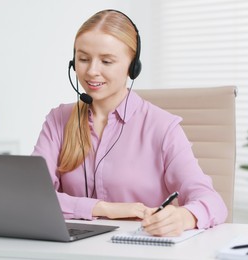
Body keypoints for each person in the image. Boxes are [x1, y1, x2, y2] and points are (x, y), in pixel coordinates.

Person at [32, 9, 227, 237]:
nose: (92, 71)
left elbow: (213, 202)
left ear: (133, 67)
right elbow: (32, 195)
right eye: (83, 59)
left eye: (106, 61)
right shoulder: (58, 120)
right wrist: (104, 208)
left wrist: (184, 217)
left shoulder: (162, 127)